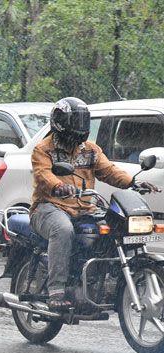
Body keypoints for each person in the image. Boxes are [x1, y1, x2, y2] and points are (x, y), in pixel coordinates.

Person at [30, 97, 159, 310]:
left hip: (83, 208)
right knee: (63, 230)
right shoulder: (43, 150)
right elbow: (43, 174)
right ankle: (57, 289)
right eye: (75, 122)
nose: (79, 127)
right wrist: (58, 186)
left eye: (82, 121)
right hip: (49, 207)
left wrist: (133, 181)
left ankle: (96, 280)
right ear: (61, 122)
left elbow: (109, 171)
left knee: (111, 228)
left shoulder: (90, 149)